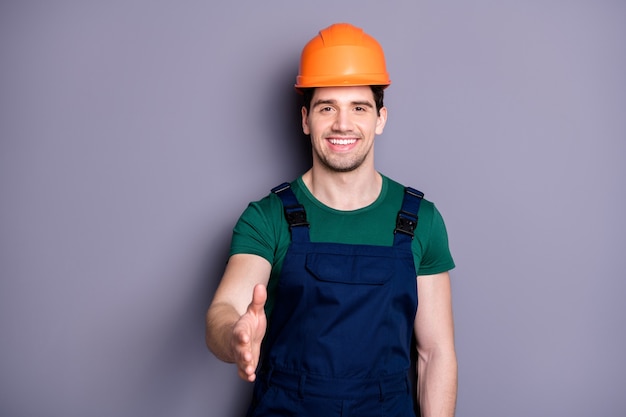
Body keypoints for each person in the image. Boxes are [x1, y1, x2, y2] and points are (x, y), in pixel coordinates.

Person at [206, 22, 457, 417]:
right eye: (327, 108)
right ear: (306, 120)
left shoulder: (420, 220)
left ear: (380, 118)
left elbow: (435, 353)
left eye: (359, 107)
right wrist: (235, 336)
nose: (343, 124)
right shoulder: (268, 217)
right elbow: (224, 310)